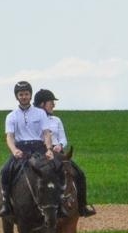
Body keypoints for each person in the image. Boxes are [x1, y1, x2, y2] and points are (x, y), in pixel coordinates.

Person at [36, 88, 97, 217]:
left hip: (59, 154)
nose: (53, 105)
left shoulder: (56, 120)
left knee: (79, 174)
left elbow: (63, 139)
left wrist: (59, 145)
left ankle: (82, 206)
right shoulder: (35, 120)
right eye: (51, 102)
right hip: (43, 153)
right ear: (42, 104)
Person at [0, 80, 49, 215]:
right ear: (17, 96)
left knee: (56, 169)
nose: (24, 97)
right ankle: (5, 203)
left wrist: (49, 149)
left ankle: (60, 202)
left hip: (39, 148)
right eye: (21, 94)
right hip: (21, 149)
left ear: (30, 95)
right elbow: (10, 136)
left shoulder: (40, 113)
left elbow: (46, 133)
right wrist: (14, 150)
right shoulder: (11, 116)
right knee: (5, 171)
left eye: (26, 94)